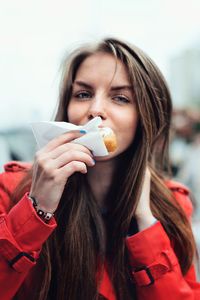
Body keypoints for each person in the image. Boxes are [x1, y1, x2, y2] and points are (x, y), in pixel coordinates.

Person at [0, 38, 200, 300]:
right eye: (83, 94)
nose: (95, 110)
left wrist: (145, 222)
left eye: (120, 98)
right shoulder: (13, 190)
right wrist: (37, 208)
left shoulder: (172, 205)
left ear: (145, 117)